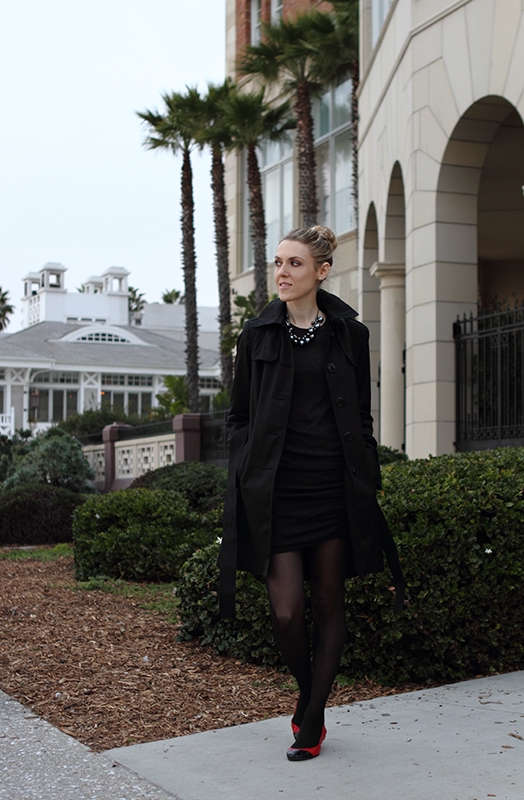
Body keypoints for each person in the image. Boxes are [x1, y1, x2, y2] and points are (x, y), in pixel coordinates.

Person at [219, 225, 403, 762]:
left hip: (333, 488)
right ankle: (312, 698)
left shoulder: (350, 334)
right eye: (278, 262)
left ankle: (311, 721)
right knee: (285, 611)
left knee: (327, 601)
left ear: (321, 272)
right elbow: (238, 416)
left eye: (294, 264)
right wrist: (246, 466)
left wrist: (366, 467)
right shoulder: (256, 336)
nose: (281, 272)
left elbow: (362, 415)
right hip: (277, 493)